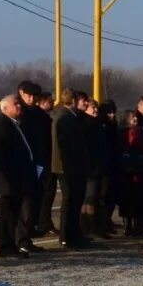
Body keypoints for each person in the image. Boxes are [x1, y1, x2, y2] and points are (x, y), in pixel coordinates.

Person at [0, 94, 37, 259]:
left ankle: (11, 245)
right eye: (16, 104)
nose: (19, 106)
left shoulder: (15, 125)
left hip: (17, 179)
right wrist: (10, 174)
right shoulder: (2, 126)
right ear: (5, 108)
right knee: (6, 214)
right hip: (8, 180)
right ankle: (4, 247)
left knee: (14, 214)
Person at [51, 88, 93, 248]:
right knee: (70, 201)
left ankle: (75, 233)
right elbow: (64, 146)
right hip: (67, 167)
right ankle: (66, 236)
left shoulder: (70, 117)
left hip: (76, 166)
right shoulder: (62, 117)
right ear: (74, 100)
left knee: (76, 201)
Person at [17, 82, 54, 245]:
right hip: (25, 163)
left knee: (36, 198)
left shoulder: (39, 114)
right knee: (25, 202)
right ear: (21, 93)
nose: (31, 99)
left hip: (41, 161)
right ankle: (21, 236)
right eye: (28, 95)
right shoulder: (19, 113)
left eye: (34, 96)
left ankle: (30, 229)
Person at [118, 109, 143, 237]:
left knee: (136, 197)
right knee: (130, 198)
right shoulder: (125, 133)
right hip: (129, 169)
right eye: (133, 118)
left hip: (136, 169)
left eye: (136, 118)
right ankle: (129, 226)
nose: (135, 120)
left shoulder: (140, 131)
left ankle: (135, 225)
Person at [91, 100, 121, 237]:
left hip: (111, 165)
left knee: (110, 196)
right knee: (101, 197)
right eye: (109, 112)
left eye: (113, 112)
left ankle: (106, 222)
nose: (112, 115)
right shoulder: (100, 125)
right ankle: (100, 225)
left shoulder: (111, 125)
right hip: (101, 166)